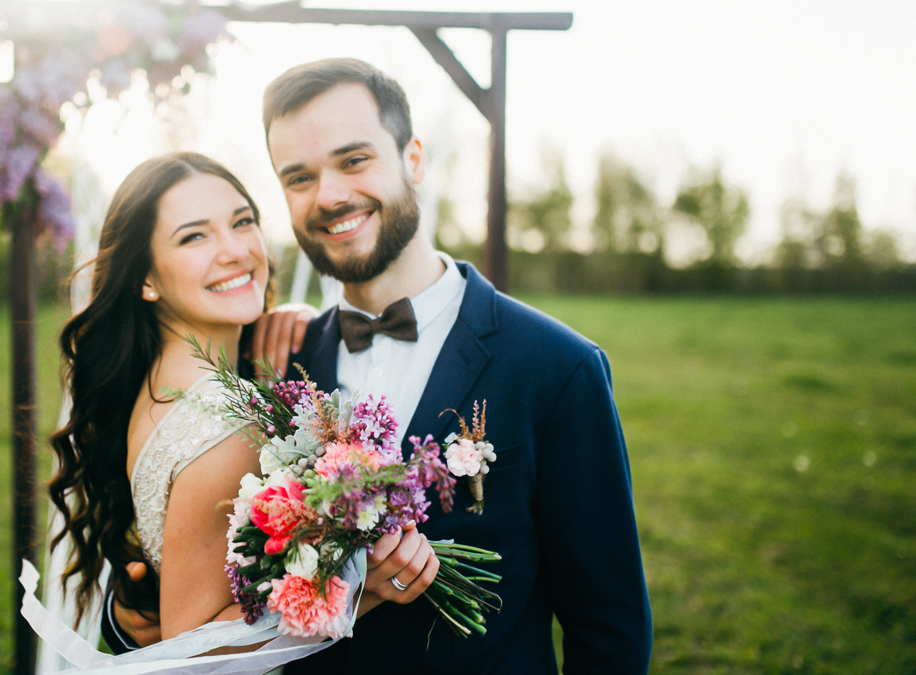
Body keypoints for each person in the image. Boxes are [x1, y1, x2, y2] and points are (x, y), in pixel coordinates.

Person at [111, 59, 654, 673]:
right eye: (299, 177)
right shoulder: (275, 364)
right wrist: (130, 604)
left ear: (414, 159)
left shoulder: (556, 369)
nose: (330, 196)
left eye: (354, 160)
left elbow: (609, 632)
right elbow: (199, 561)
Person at [48, 152, 441, 658]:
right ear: (146, 277)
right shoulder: (224, 426)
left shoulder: (165, 382)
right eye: (194, 236)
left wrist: (292, 318)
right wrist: (358, 587)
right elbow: (188, 656)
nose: (234, 250)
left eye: (242, 222)